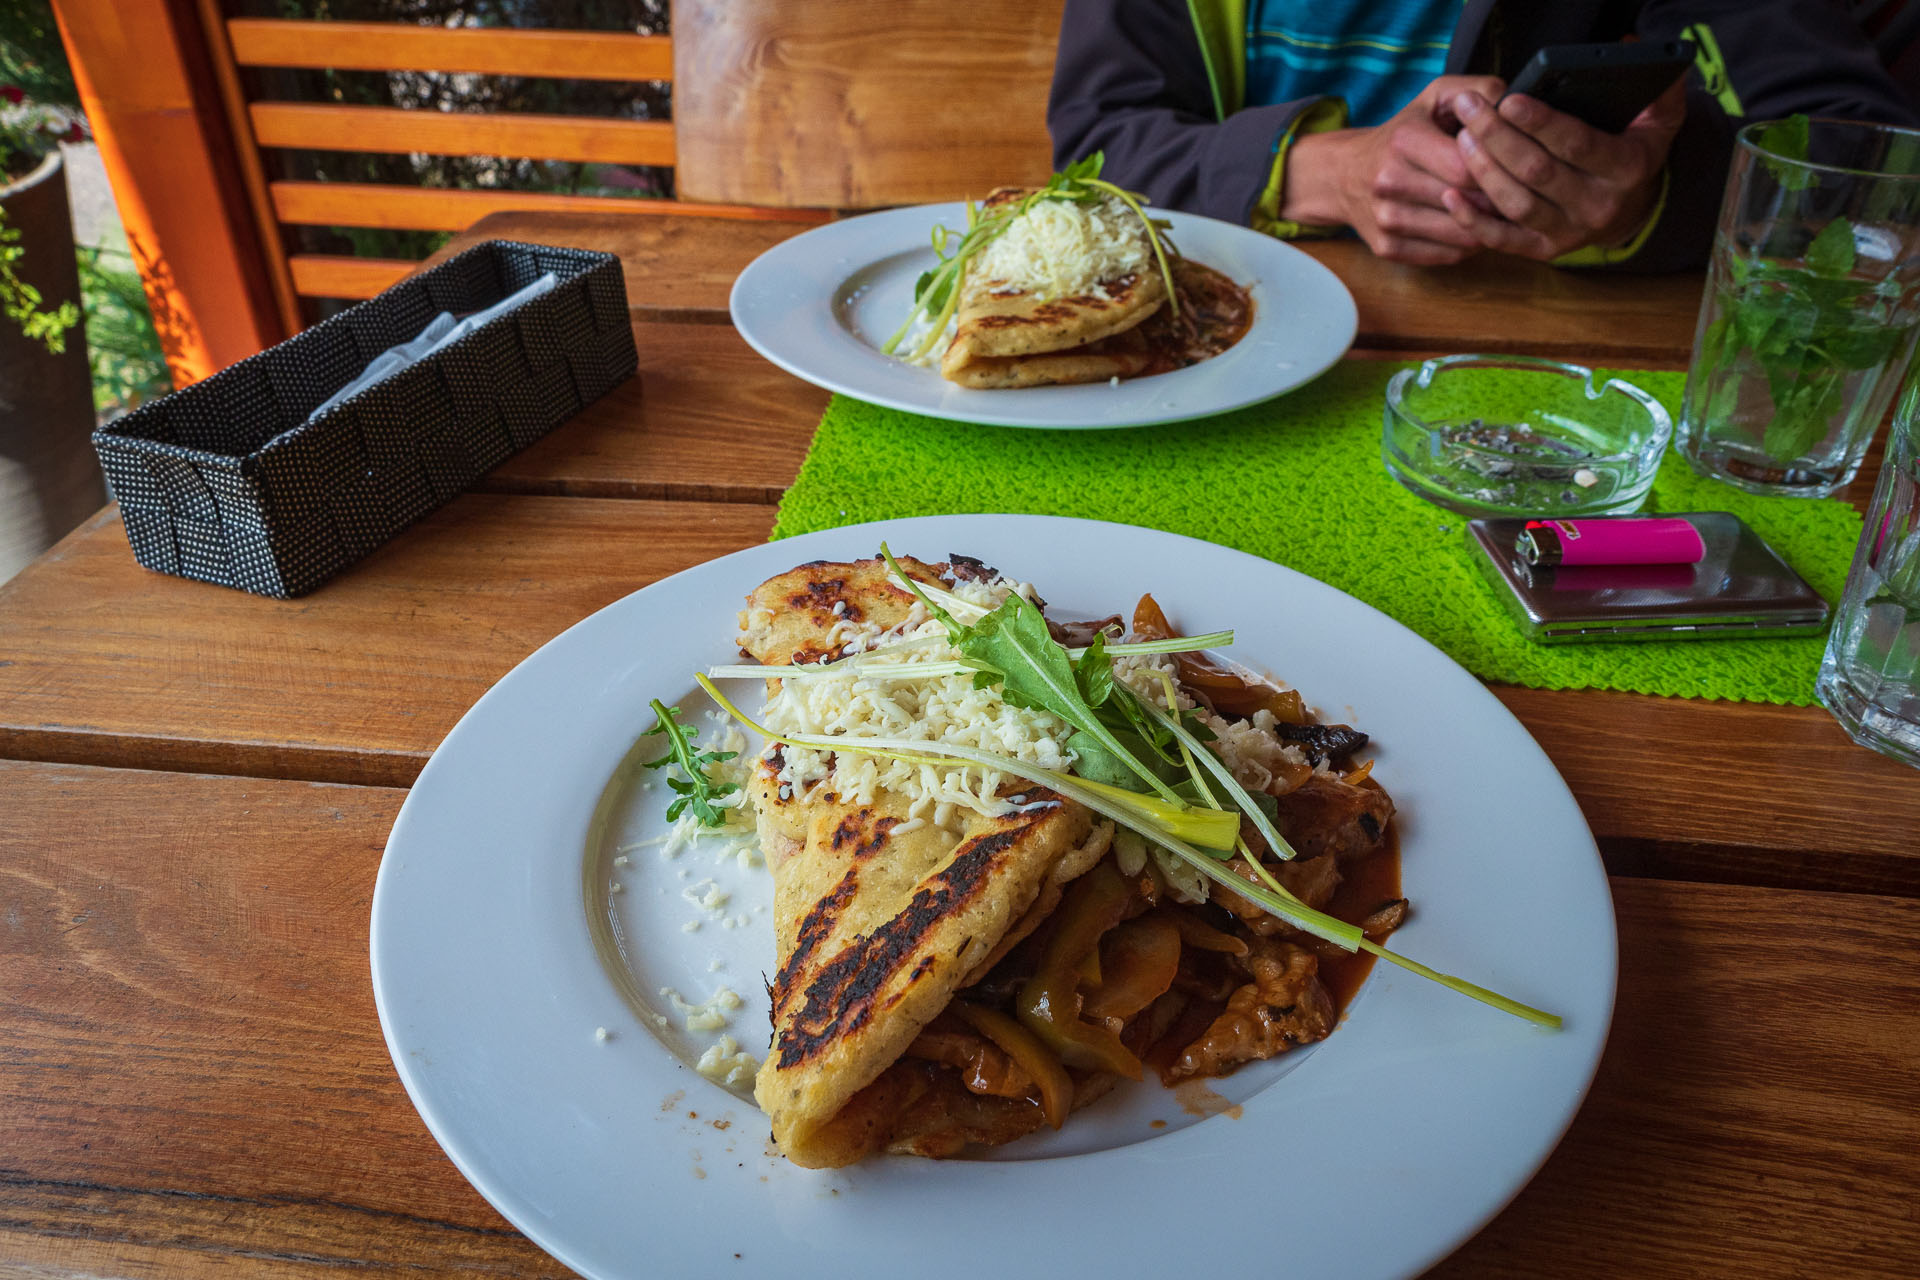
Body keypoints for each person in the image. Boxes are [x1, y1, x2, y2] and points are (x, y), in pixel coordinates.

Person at [1050, 1, 1920, 271]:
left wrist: (1648, 196)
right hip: (1224, 332)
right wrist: (1317, 168)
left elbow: (1862, 160)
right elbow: (1094, 144)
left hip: (1569, 366)